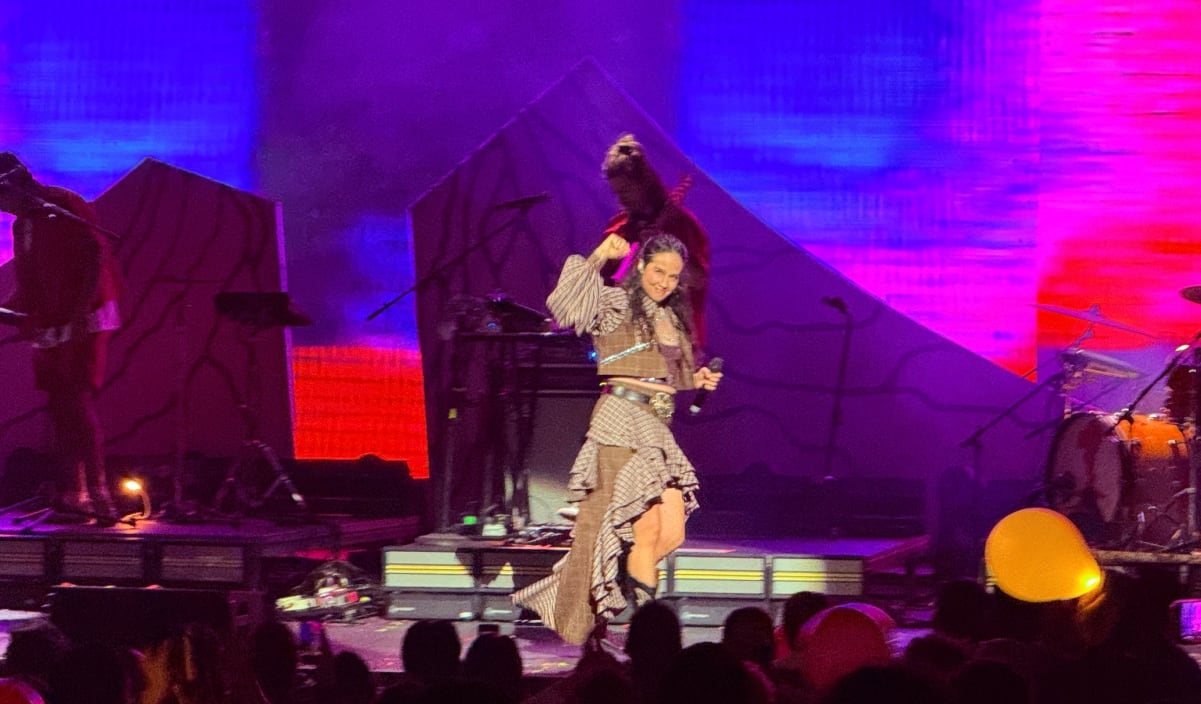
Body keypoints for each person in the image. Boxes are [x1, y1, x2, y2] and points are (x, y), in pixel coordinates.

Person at [512, 231, 722, 645]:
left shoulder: (672, 318)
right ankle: (652, 640)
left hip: (657, 430)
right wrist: (600, 256)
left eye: (672, 276)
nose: (664, 281)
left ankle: (614, 582)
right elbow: (564, 307)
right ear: (642, 266)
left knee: (672, 532)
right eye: (657, 270)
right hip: (621, 421)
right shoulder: (615, 303)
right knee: (643, 534)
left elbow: (670, 377)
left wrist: (697, 378)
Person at [0, 152, 122, 523]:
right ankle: (75, 493)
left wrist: (78, 313)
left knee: (75, 401)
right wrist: (11, 311)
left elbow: (93, 262)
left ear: (16, 185)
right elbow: (28, 284)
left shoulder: (65, 204)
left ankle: (100, 494)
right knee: (59, 405)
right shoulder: (22, 227)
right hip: (51, 321)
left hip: (84, 318)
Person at [600, 134, 711, 349]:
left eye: (625, 191)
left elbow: (698, 280)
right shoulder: (620, 228)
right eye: (616, 193)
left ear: (643, 183)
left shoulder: (681, 225)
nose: (620, 199)